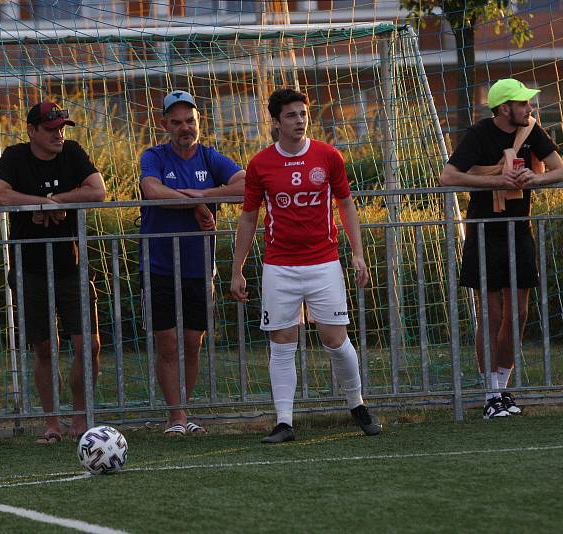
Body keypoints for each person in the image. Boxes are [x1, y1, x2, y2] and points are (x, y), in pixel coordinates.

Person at [230, 88, 382, 443]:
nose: (299, 121)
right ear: (276, 122)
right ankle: (284, 422)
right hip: (279, 267)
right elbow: (249, 218)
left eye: (302, 114)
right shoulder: (260, 164)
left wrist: (357, 253)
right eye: (291, 116)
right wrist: (237, 269)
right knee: (282, 343)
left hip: (323, 263)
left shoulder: (328, 156)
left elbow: (346, 206)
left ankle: (357, 405)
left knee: (335, 339)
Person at [439, 79, 563, 419]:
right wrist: (497, 180)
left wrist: (533, 179)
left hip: (518, 231)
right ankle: (490, 395)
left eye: (529, 102)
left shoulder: (532, 130)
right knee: (491, 314)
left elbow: (562, 172)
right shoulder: (480, 134)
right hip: (484, 232)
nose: (529, 108)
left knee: (518, 314)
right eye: (522, 103)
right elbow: (448, 176)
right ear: (503, 108)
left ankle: (502, 388)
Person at [0, 101, 107, 443]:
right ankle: (52, 423)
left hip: (71, 265)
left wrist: (57, 200)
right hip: (30, 268)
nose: (59, 134)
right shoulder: (14, 156)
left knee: (88, 344)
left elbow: (97, 190)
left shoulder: (72, 152)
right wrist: (36, 204)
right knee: (44, 348)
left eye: (62, 127)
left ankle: (80, 417)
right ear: (32, 131)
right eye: (51, 128)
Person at [139, 90, 245, 436]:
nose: (185, 128)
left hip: (199, 267)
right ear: (164, 124)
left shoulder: (211, 157)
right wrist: (197, 205)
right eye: (177, 122)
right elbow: (152, 192)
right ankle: (176, 416)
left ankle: (186, 410)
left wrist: (199, 197)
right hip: (159, 266)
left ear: (200, 122)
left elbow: (244, 186)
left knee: (191, 342)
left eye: (190, 121)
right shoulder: (153, 156)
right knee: (167, 342)